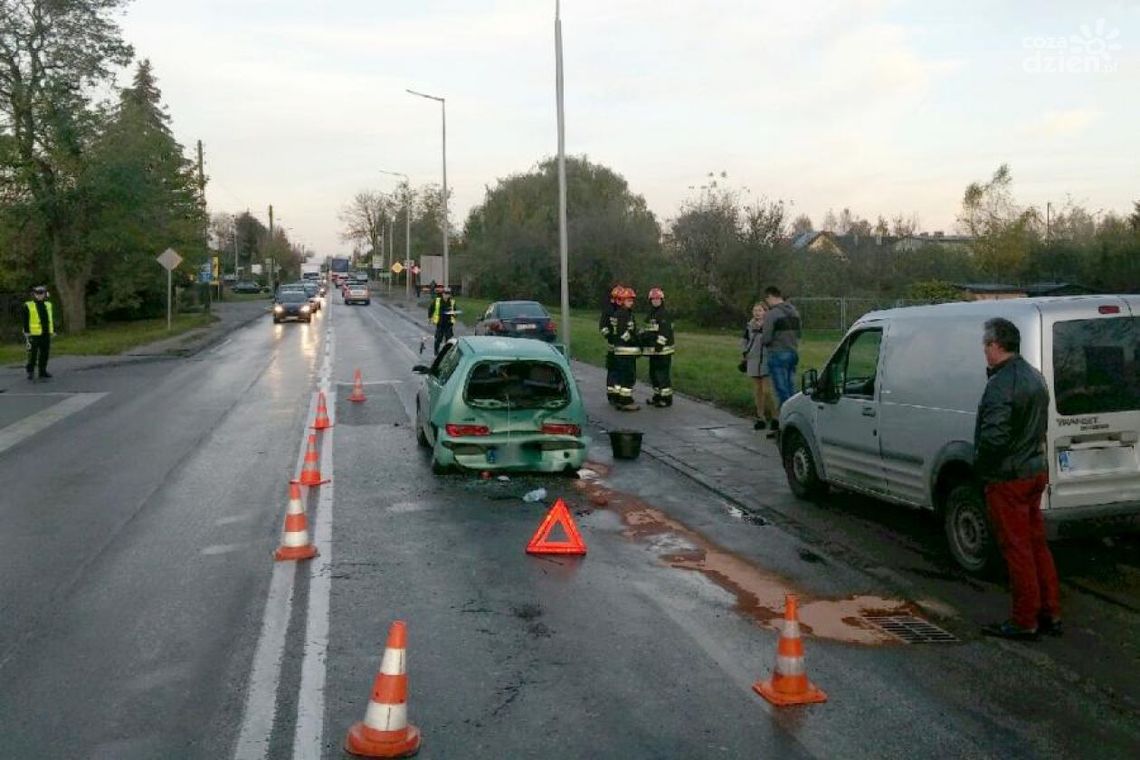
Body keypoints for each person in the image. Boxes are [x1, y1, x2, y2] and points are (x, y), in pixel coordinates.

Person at [976, 317, 1061, 641]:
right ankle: (1050, 611)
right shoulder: (1034, 377)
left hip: (1009, 477)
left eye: (986, 345)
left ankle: (1025, 619)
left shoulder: (1000, 385)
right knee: (1037, 544)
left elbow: (994, 439)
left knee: (1017, 549)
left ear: (996, 346)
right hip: (1034, 470)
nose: (984, 351)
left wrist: (983, 469)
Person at [761, 286, 801, 409]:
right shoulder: (794, 311)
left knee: (781, 389)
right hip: (793, 351)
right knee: (790, 386)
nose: (767, 303)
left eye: (766, 299)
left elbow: (766, 337)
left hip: (777, 352)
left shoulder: (772, 314)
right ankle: (794, 411)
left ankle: (786, 417)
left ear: (770, 296)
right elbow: (799, 333)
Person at [742, 302, 778, 435]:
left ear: (765, 312)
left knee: (767, 391)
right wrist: (745, 352)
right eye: (755, 310)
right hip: (753, 361)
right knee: (757, 391)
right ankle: (760, 417)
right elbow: (744, 341)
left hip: (767, 362)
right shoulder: (749, 326)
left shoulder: (770, 326)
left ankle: (775, 417)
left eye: (759, 310)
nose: (757, 313)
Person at [640, 287, 675, 407]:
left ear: (662, 300)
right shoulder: (650, 314)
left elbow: (665, 332)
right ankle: (657, 396)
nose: (655, 301)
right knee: (653, 374)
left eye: (658, 299)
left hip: (663, 351)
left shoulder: (663, 314)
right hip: (653, 351)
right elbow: (648, 331)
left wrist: (659, 345)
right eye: (653, 299)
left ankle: (666, 398)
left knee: (662, 375)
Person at [610, 287, 641, 411]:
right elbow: (624, 333)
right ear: (622, 301)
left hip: (620, 350)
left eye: (632, 301)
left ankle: (619, 398)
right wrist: (635, 341)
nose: (631, 303)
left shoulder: (623, 313)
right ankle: (625, 401)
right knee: (628, 377)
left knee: (620, 376)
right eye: (628, 300)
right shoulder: (623, 314)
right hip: (626, 350)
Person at [23, 285, 55, 382]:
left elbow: (50, 319)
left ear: (45, 294)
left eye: (42, 294)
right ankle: (30, 371)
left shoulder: (48, 305)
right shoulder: (28, 305)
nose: (40, 296)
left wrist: (52, 331)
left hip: (45, 333)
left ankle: (42, 371)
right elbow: (25, 320)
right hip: (34, 334)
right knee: (33, 354)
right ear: (34, 295)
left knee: (44, 353)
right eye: (38, 294)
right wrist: (27, 332)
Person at [599, 285, 623, 406]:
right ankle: (612, 395)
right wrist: (610, 337)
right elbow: (603, 327)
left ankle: (618, 394)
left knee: (621, 372)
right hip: (613, 347)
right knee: (613, 371)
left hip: (623, 348)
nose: (619, 301)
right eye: (617, 298)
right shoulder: (608, 310)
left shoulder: (623, 311)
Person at [428, 287, 457, 354]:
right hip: (440, 323)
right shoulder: (437, 300)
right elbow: (431, 309)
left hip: (449, 324)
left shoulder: (452, 302)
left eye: (448, 293)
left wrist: (454, 314)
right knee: (438, 339)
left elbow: (454, 311)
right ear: (442, 294)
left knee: (449, 340)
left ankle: (447, 353)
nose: (447, 295)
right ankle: (436, 352)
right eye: (445, 293)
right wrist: (430, 317)